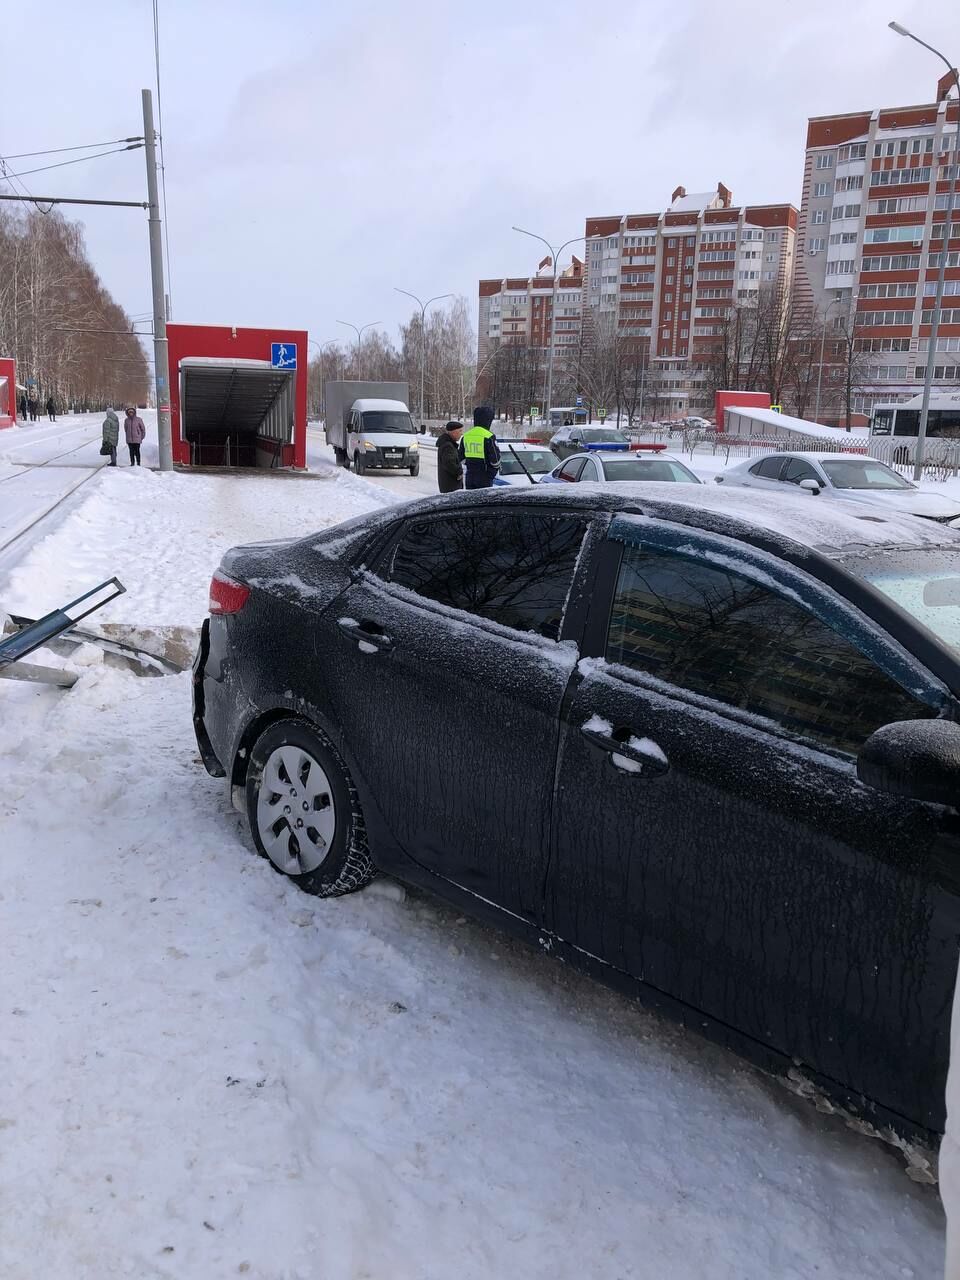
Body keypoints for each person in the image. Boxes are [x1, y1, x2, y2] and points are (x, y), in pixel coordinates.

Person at [460, 406, 501, 490]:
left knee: (471, 501)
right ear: (488, 420)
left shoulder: (466, 436)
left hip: (470, 476)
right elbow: (495, 460)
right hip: (484, 477)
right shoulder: (489, 436)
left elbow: (460, 457)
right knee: (483, 502)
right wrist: (491, 474)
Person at [437, 420, 465, 493]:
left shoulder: (447, 444)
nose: (461, 433)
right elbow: (449, 463)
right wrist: (459, 472)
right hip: (451, 486)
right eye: (460, 431)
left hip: (448, 484)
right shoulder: (448, 446)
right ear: (453, 432)